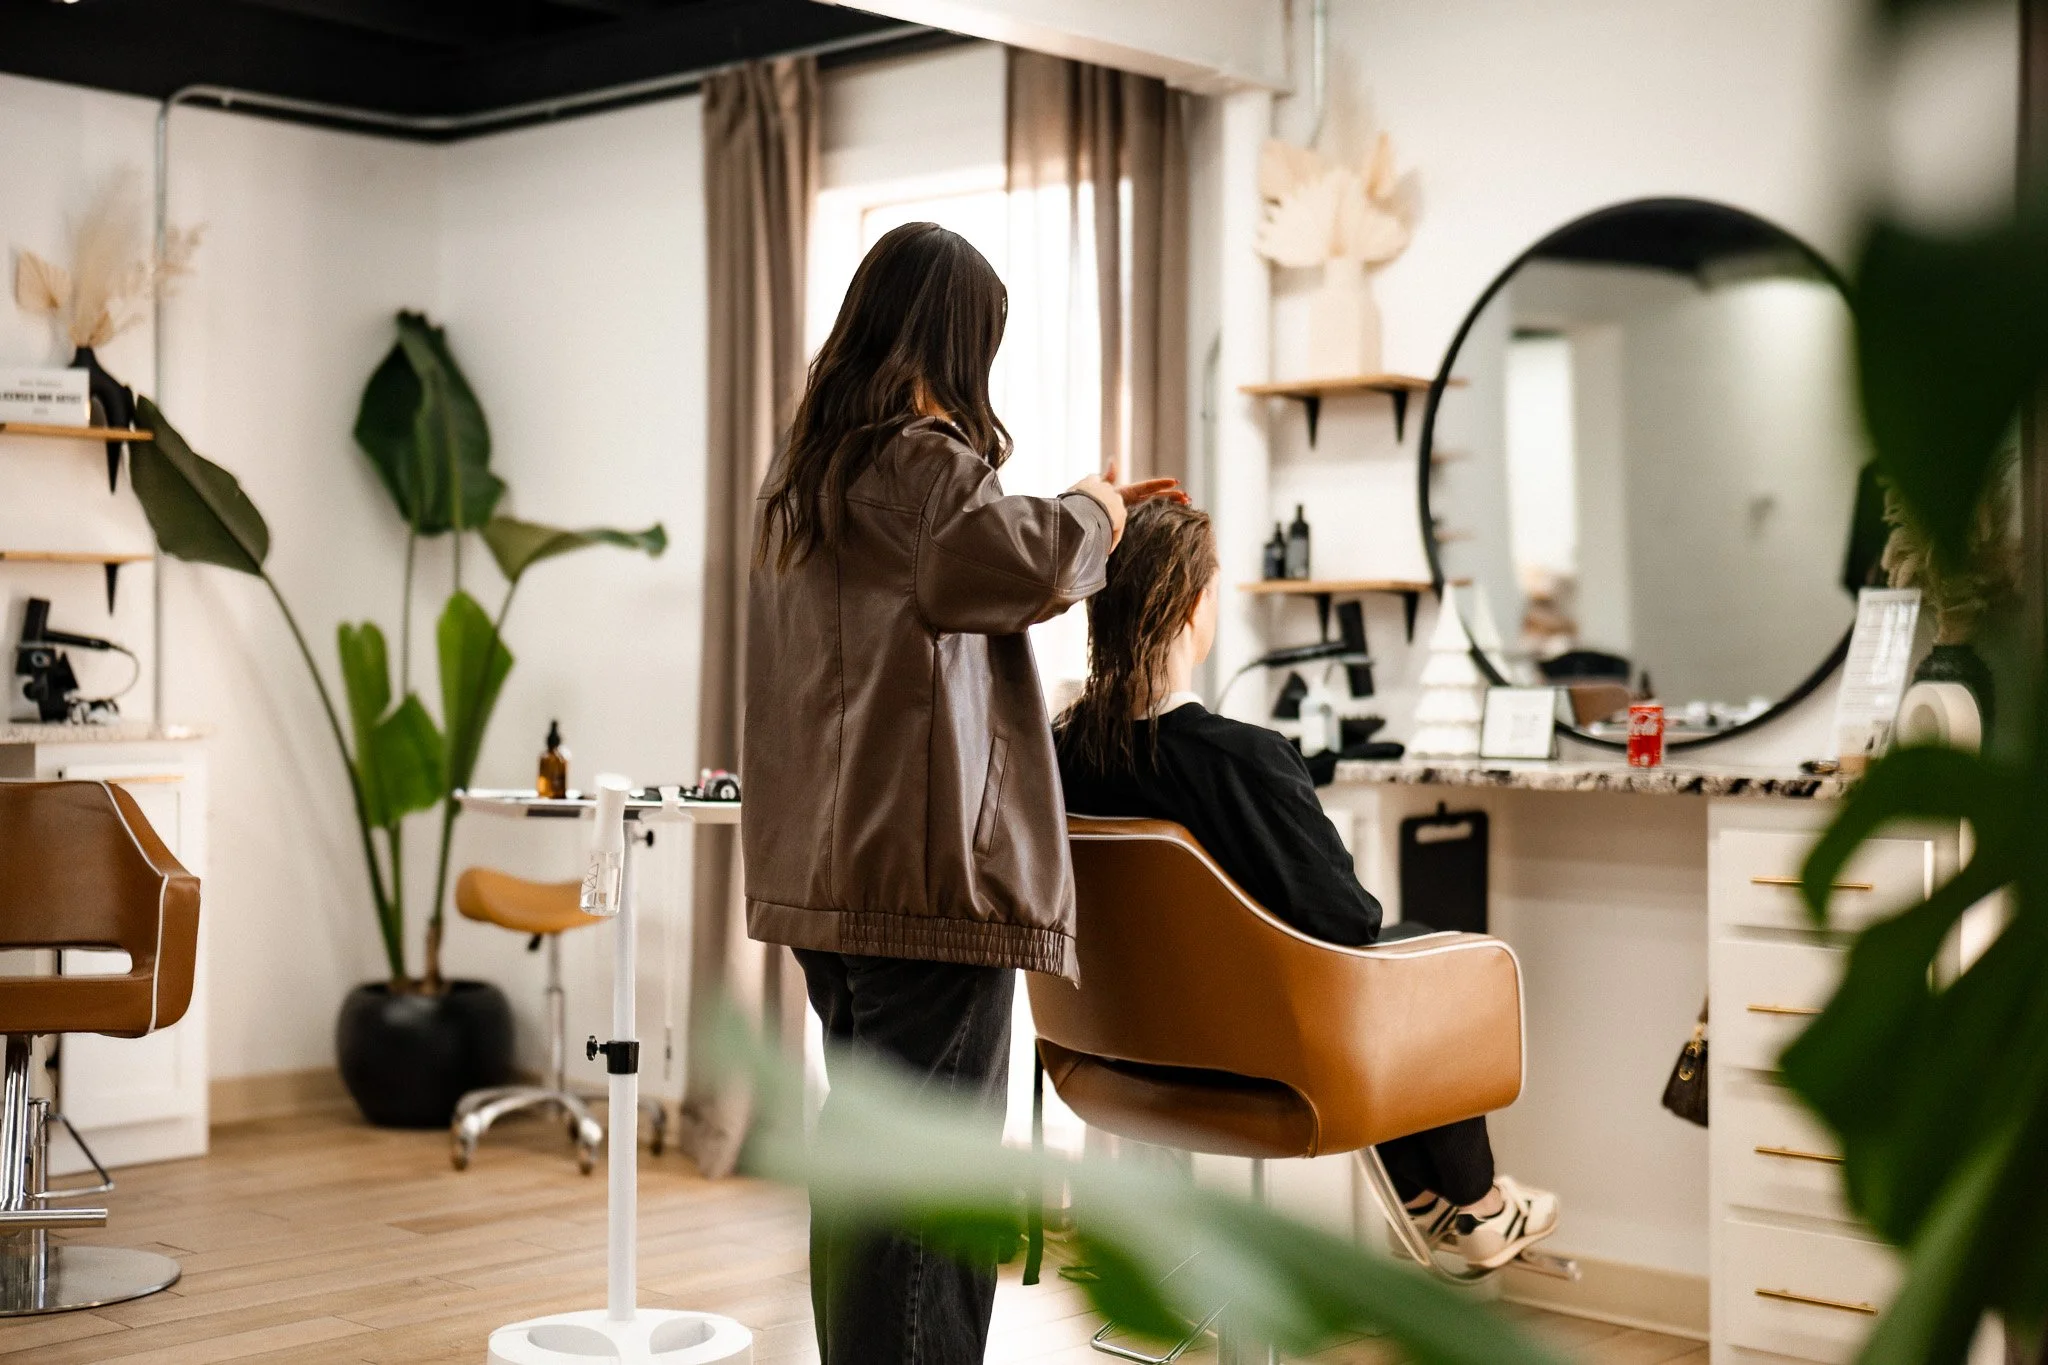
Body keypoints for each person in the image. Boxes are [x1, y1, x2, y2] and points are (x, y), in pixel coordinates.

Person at [743, 221, 1183, 1364]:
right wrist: (1092, 508)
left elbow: (972, 557)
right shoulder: (919, 466)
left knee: (871, 1175)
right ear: (956, 335)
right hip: (925, 888)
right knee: (928, 1200)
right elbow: (1022, 561)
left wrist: (1079, 515)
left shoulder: (808, 485)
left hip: (828, 883)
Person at [1054, 498, 1560, 1271]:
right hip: (1263, 1069)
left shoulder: (1055, 753)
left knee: (1394, 956)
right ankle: (1477, 1203)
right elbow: (1348, 923)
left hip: (1109, 1057)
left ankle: (1434, 1200)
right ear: (1196, 607)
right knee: (1422, 948)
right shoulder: (1242, 759)